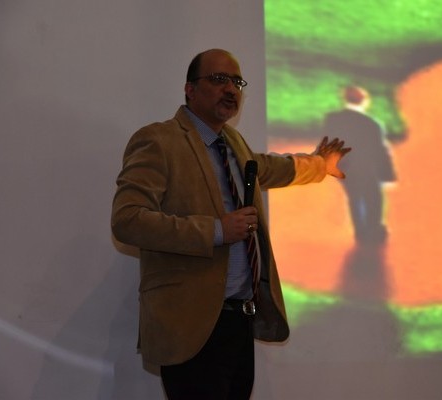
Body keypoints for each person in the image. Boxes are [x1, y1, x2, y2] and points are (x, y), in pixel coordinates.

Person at [111, 48, 350, 399]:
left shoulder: (233, 143)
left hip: (239, 321)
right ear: (190, 89)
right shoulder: (159, 141)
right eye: (219, 79)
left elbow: (269, 167)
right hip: (190, 326)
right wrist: (218, 230)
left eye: (237, 82)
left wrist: (319, 165)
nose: (230, 89)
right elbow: (128, 220)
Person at [323, 85, 396, 244]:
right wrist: (388, 176)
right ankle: (374, 230)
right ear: (364, 101)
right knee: (374, 198)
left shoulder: (332, 119)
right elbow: (380, 151)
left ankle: (360, 232)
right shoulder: (372, 124)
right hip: (367, 168)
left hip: (344, 168)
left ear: (345, 99)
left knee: (355, 198)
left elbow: (327, 144)